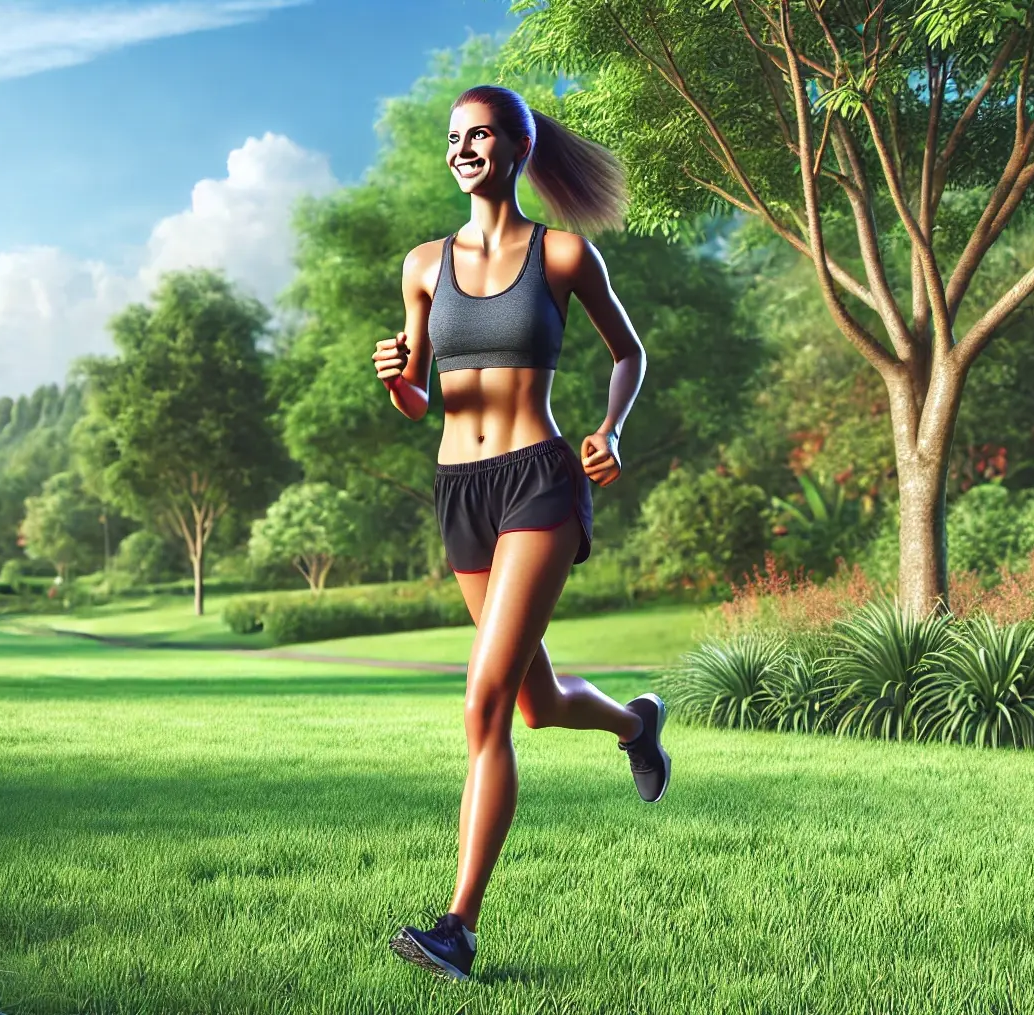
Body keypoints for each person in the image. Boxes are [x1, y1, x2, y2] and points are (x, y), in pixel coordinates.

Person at [373, 84, 669, 983]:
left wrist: (609, 432)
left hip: (540, 480)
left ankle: (455, 928)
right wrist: (395, 379)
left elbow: (629, 352)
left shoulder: (563, 254)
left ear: (515, 147)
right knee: (533, 704)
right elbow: (423, 392)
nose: (464, 147)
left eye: (481, 134)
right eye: (454, 137)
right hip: (459, 488)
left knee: (484, 700)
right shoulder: (423, 264)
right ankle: (634, 721)